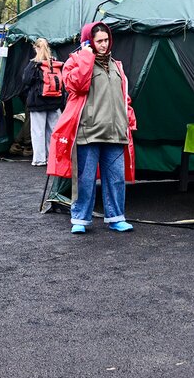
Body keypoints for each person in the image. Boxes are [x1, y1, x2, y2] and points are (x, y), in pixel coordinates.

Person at [47, 22, 136, 234]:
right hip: (88, 132)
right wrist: (86, 57)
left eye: (106, 40)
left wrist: (128, 116)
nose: (104, 44)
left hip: (115, 131)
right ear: (89, 42)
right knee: (85, 179)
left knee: (116, 179)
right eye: (99, 41)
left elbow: (123, 95)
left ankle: (116, 217)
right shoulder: (75, 62)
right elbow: (76, 86)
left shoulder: (117, 65)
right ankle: (80, 218)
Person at [22, 38, 63, 166]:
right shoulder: (55, 63)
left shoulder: (34, 64)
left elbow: (26, 80)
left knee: (38, 132)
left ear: (36, 48)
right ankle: (53, 158)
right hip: (55, 101)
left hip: (37, 102)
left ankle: (39, 159)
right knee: (54, 131)